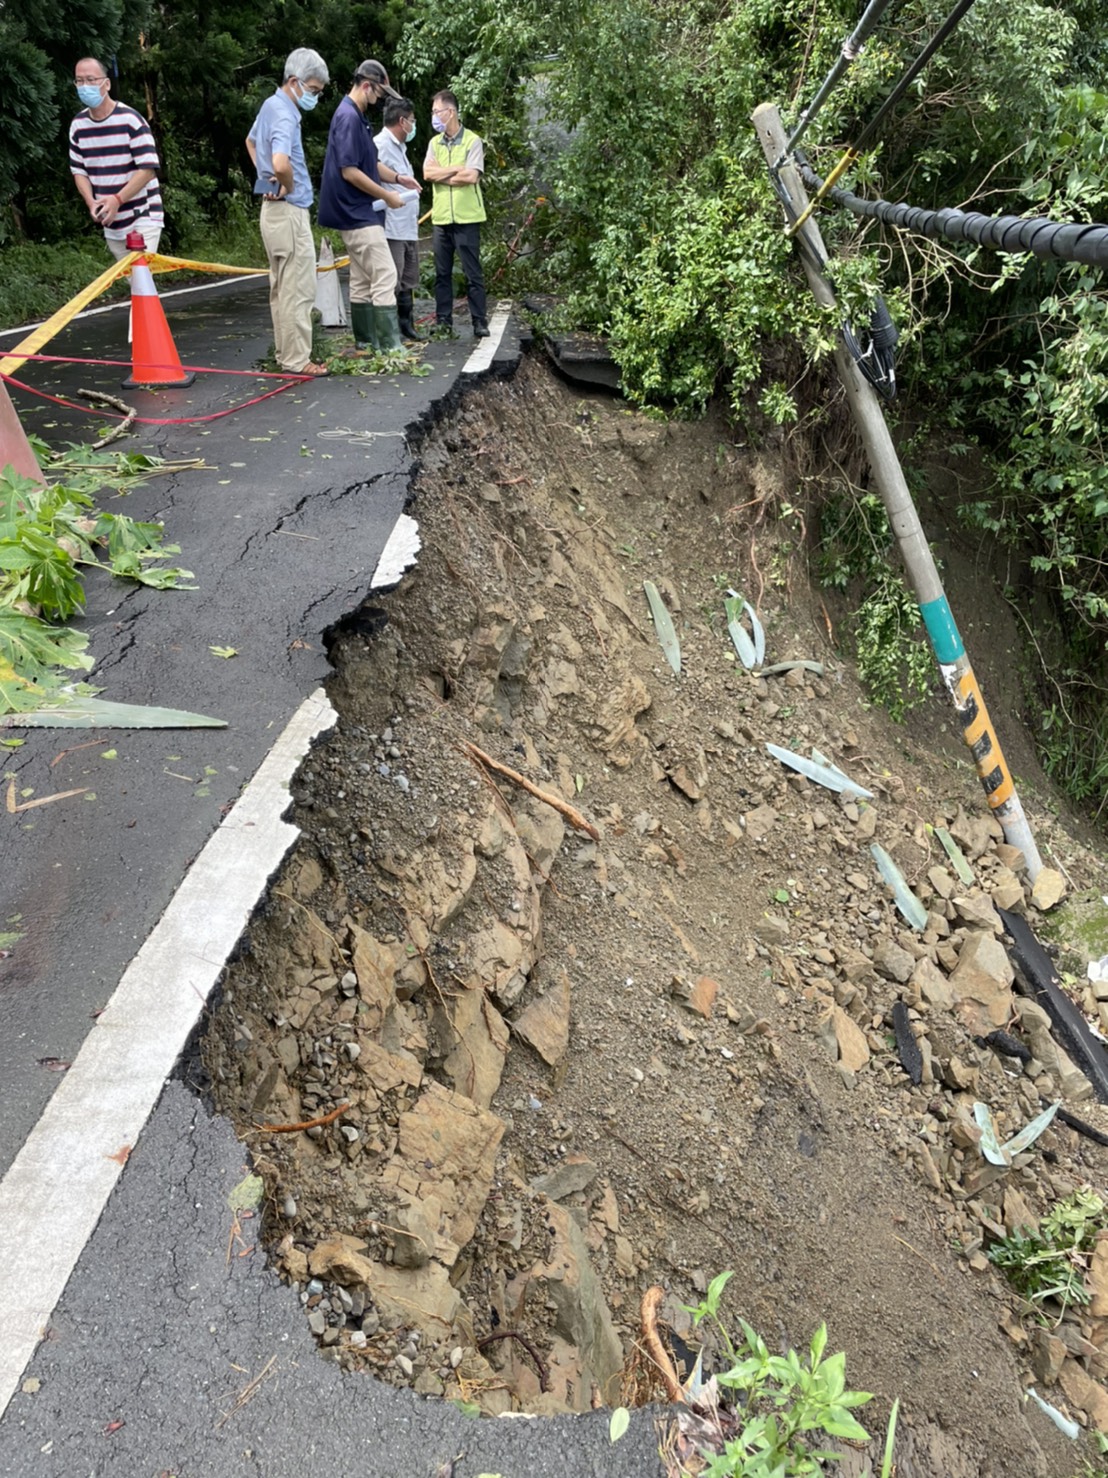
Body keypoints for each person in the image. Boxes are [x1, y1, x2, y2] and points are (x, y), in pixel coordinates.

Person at [318, 61, 419, 354]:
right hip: (357, 212)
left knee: (363, 279)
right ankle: (390, 345)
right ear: (366, 86)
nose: (379, 100)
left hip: (360, 211)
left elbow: (370, 164)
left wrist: (399, 179)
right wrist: (387, 197)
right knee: (386, 273)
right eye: (378, 93)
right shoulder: (348, 118)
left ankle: (365, 343)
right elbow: (350, 171)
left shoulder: (356, 117)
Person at [246, 48, 331, 377]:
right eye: (313, 90)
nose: (315, 97)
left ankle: (286, 355)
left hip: (272, 213)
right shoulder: (285, 113)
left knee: (281, 288)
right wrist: (285, 182)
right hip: (289, 211)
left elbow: (250, 142)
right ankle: (298, 360)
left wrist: (263, 177)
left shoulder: (270, 106)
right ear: (294, 82)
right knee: (298, 288)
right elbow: (282, 162)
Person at [69, 58, 164, 260]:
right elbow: (79, 171)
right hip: (111, 220)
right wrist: (91, 202)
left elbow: (147, 169)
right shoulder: (78, 125)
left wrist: (117, 199)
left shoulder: (131, 120)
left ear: (107, 84)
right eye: (79, 81)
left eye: (91, 79)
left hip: (143, 213)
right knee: (135, 282)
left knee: (141, 276)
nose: (85, 86)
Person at [423, 90, 488, 338]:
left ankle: (479, 321)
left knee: (472, 272)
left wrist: (444, 174)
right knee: (442, 273)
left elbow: (472, 176)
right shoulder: (434, 143)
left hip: (467, 218)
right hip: (441, 219)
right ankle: (443, 322)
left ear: (450, 112)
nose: (434, 117)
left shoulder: (473, 141)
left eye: (436, 112)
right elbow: (428, 174)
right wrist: (455, 170)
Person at [374, 97, 424, 341]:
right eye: (412, 121)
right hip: (391, 225)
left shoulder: (400, 147)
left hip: (408, 225)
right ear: (402, 121)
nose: (414, 126)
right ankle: (388, 330)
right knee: (391, 279)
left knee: (408, 279)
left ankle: (407, 324)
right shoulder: (379, 145)